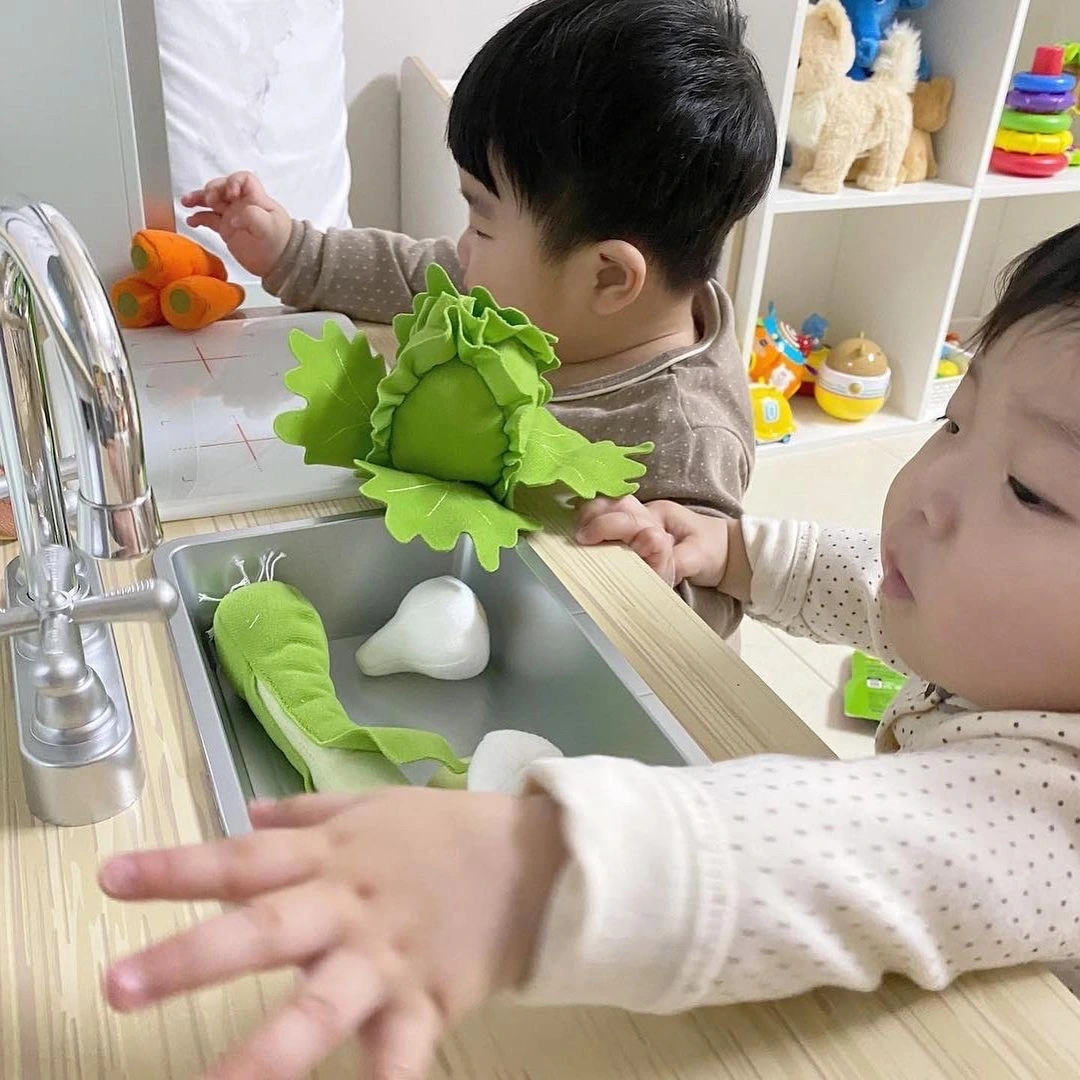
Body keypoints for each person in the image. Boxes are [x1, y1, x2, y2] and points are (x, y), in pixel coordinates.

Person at [98, 224, 1080, 1079]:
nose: (928, 492)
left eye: (1032, 489)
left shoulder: (1054, 809)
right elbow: (870, 579)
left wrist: (525, 872)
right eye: (955, 417)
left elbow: (843, 850)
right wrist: (737, 552)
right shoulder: (1006, 635)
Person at [179, 0, 776, 641]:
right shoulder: (532, 293)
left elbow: (713, 602)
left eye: (481, 223)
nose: (462, 247)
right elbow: (406, 273)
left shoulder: (689, 432)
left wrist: (660, 568)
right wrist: (291, 250)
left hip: (569, 642)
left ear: (607, 277)